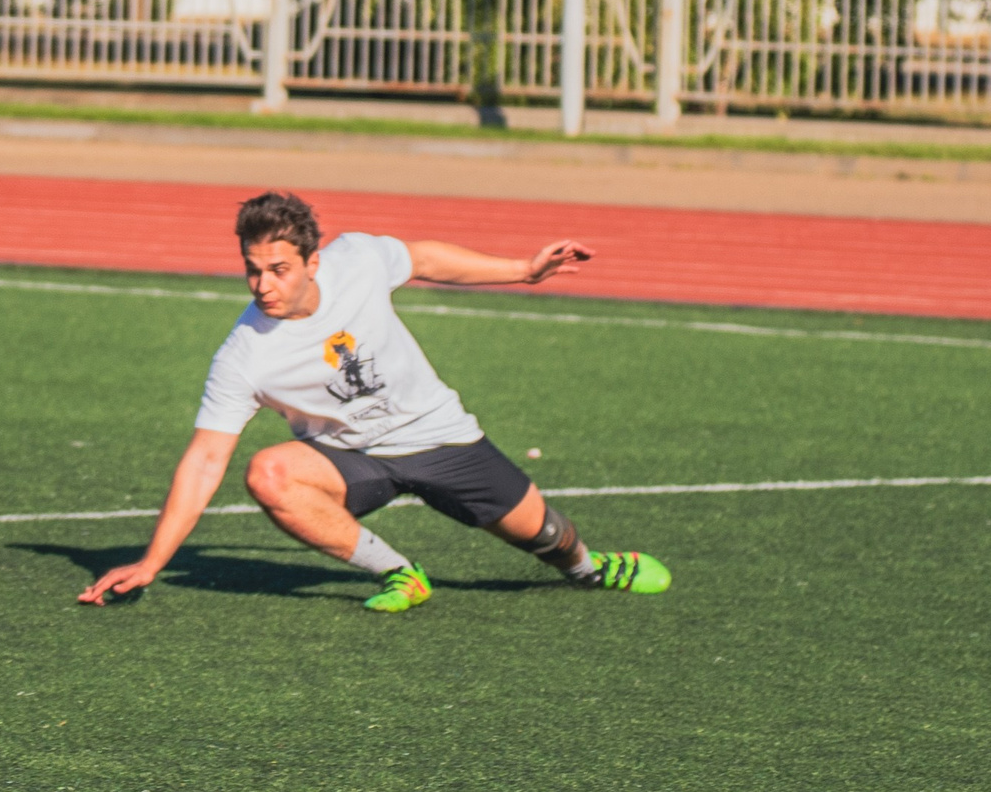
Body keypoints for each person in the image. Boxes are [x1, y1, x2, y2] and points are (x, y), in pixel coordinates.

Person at [78, 190, 669, 613]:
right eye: (253, 271)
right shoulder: (244, 355)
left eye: (278, 270)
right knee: (269, 473)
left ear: (313, 262)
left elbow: (424, 260)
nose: (263, 286)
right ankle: (400, 573)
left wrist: (523, 271)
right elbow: (206, 459)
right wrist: (152, 562)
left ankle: (590, 569)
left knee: (548, 538)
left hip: (440, 436)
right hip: (350, 458)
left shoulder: (357, 260)